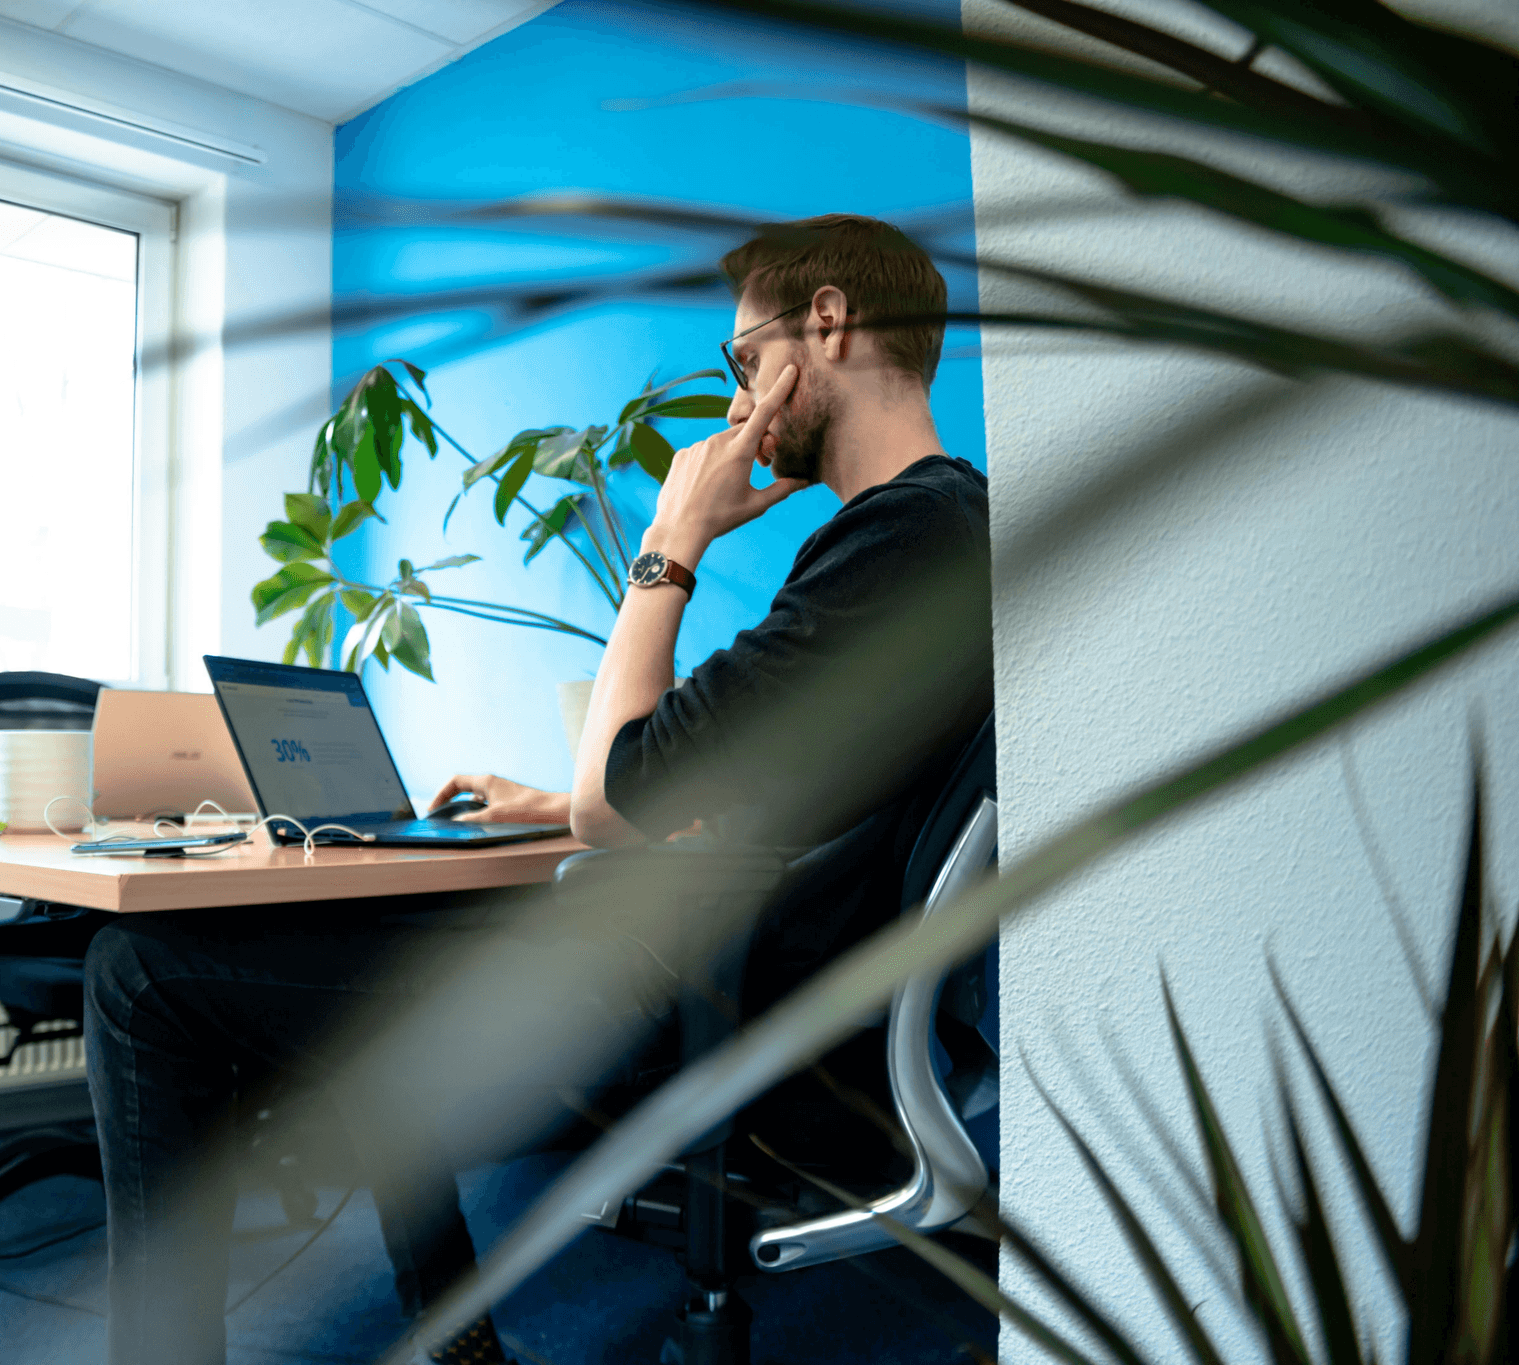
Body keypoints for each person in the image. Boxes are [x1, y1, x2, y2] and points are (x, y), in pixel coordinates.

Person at [83, 214, 993, 1365]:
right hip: (752, 984)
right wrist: (553, 804)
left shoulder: (891, 542)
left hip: (687, 1010)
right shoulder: (948, 529)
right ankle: (454, 1338)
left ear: (825, 323)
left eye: (743, 361)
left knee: (137, 975)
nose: (737, 400)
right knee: (395, 939)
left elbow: (617, 798)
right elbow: (782, 800)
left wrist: (668, 542)